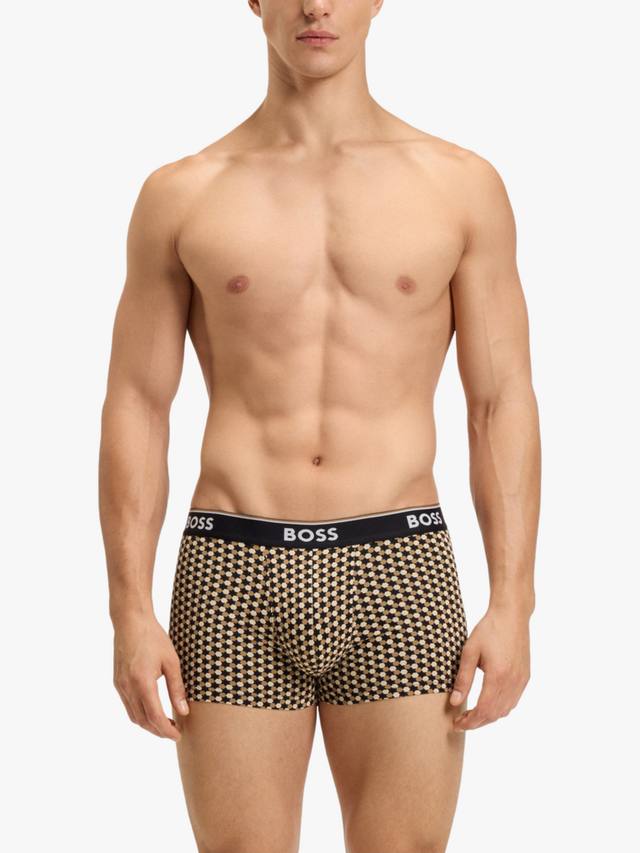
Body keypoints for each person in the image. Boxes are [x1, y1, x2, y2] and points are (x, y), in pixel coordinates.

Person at [98, 1, 541, 850]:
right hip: (233, 568)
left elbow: (500, 401)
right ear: (253, 0)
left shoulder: (458, 185)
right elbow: (137, 404)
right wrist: (129, 609)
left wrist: (514, 600)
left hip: (400, 565)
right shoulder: (183, 193)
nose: (315, 6)